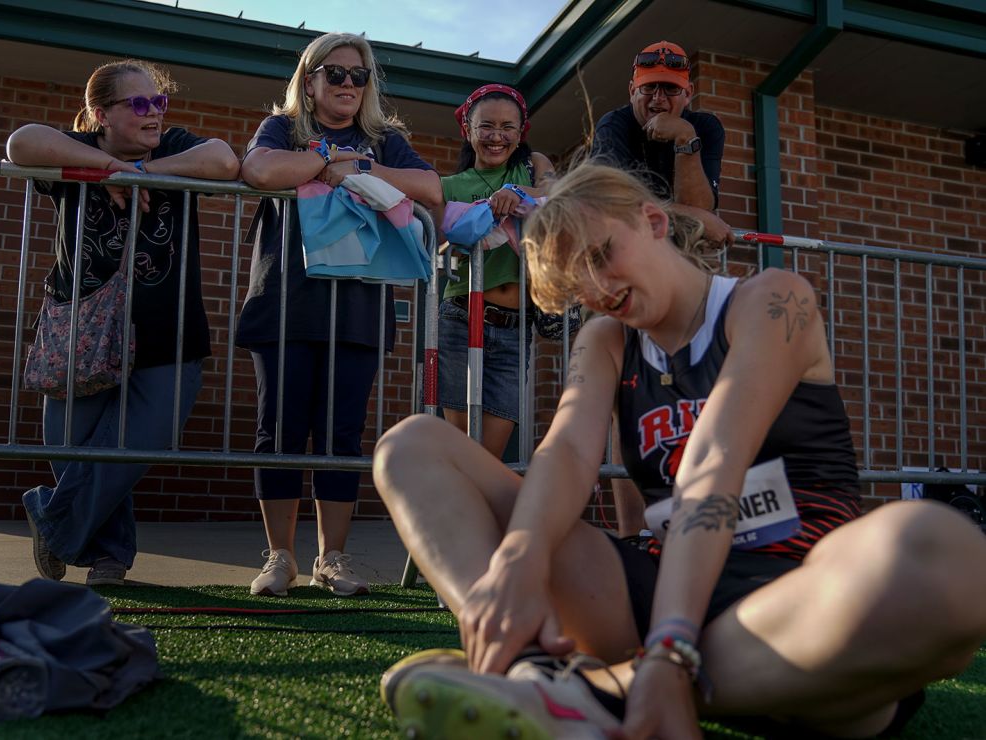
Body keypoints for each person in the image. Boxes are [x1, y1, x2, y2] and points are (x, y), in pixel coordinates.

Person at [373, 164, 986, 738]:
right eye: (576, 284)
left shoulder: (772, 299)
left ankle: (602, 693)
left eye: (601, 255)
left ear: (654, 222)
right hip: (655, 588)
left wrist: (670, 645)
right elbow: (566, 452)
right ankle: (531, 671)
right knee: (413, 445)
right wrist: (520, 557)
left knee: (944, 551)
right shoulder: (607, 339)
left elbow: (715, 457)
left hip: (800, 606)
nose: (597, 287)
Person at [8, 59, 239, 586]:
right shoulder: (73, 150)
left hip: (168, 335)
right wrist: (103, 168)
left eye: (158, 102)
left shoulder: (173, 146)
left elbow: (225, 161)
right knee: (74, 451)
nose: (154, 113)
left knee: (136, 445)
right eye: (139, 104)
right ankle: (109, 558)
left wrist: (148, 173)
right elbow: (21, 144)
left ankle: (54, 520)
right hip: (80, 333)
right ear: (99, 114)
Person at [237, 32, 441, 597]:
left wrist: (356, 170)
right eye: (336, 73)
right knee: (279, 431)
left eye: (359, 75)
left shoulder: (384, 139)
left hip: (358, 307)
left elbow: (428, 187)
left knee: (341, 435)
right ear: (311, 80)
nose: (349, 84)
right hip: (285, 302)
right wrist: (322, 158)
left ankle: (333, 558)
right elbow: (257, 170)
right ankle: (279, 557)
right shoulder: (283, 128)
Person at [438, 84, 555, 458]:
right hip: (460, 318)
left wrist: (518, 192)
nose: (496, 137)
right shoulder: (450, 185)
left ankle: (481, 517)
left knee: (490, 453)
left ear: (521, 133)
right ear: (467, 131)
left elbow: (560, 191)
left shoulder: (532, 165)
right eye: (486, 126)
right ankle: (457, 518)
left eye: (508, 127)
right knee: (460, 447)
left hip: (514, 327)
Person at [592, 40, 733, 246]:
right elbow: (613, 202)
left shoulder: (705, 127)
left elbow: (700, 208)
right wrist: (693, 215)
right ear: (632, 91)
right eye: (649, 87)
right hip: (618, 250)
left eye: (670, 88)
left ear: (688, 94)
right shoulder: (613, 125)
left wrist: (686, 138)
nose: (658, 98)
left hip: (677, 259)